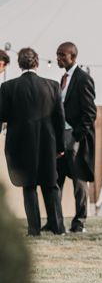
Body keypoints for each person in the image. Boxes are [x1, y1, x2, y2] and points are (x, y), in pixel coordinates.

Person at [0, 47, 65, 235]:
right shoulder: (52, 85)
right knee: (51, 185)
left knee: (29, 186)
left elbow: (2, 115)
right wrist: (60, 146)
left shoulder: (8, 87)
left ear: (19, 64)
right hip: (48, 143)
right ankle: (58, 227)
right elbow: (59, 119)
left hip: (20, 144)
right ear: (37, 63)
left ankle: (34, 229)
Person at [55, 42, 96, 233]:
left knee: (78, 181)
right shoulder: (62, 79)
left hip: (76, 137)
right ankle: (55, 222)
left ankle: (79, 222)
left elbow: (90, 113)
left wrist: (76, 137)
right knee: (56, 178)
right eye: (57, 55)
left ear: (73, 56)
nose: (58, 58)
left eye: (62, 55)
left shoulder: (83, 78)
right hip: (59, 136)